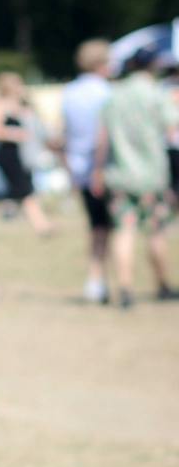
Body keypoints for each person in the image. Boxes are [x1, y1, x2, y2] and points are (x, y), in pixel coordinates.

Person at [95, 48, 176, 307]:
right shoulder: (156, 93)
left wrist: (97, 170)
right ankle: (162, 284)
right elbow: (171, 126)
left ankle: (125, 288)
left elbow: (103, 138)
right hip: (152, 176)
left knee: (124, 231)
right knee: (156, 232)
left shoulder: (115, 94)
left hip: (120, 174)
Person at [61, 39, 113, 303]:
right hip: (103, 167)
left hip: (79, 167)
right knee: (111, 227)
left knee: (96, 226)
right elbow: (104, 135)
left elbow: (64, 133)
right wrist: (99, 169)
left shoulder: (70, 92)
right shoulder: (106, 92)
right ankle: (107, 280)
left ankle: (95, 279)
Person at [0, 71, 53, 236]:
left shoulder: (20, 105)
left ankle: (42, 225)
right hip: (7, 155)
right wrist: (13, 134)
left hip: (21, 155)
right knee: (18, 192)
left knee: (26, 191)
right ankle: (41, 225)